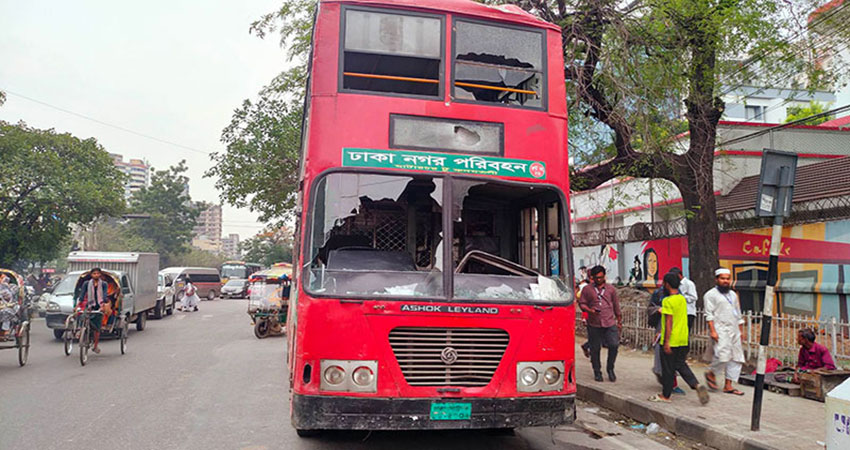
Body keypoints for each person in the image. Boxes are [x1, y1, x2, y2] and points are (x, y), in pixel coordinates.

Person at [649, 273, 710, 404]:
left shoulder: (667, 301)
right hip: (683, 339)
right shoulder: (682, 299)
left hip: (672, 340)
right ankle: (695, 384)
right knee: (680, 364)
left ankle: (665, 396)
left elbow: (669, 322)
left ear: (666, 284)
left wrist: (666, 342)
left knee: (668, 369)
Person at [704, 268, 746, 395]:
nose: (725, 281)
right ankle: (711, 373)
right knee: (722, 356)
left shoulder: (733, 295)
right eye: (722, 278)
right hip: (720, 329)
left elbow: (738, 314)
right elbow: (709, 315)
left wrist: (740, 331)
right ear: (717, 280)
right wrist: (713, 331)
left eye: (727, 278)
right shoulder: (710, 295)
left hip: (734, 329)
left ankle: (728, 385)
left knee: (736, 357)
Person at [578, 265, 622, 382]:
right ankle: (597, 371)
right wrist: (589, 310)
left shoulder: (611, 289)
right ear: (592, 278)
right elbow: (582, 303)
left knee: (613, 345)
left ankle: (610, 368)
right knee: (595, 348)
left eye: (601, 277)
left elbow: (616, 305)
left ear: (604, 276)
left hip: (609, 322)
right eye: (596, 278)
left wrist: (619, 320)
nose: (599, 280)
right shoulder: (587, 289)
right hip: (594, 323)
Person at [648, 280, 685, 395]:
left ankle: (672, 384)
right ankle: (665, 381)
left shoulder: (679, 296)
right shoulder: (658, 294)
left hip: (676, 330)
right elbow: (650, 308)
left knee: (674, 359)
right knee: (662, 356)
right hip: (662, 327)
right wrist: (658, 310)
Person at [75, 268, 113, 354]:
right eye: (94, 273)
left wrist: (103, 305)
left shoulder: (104, 284)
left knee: (97, 328)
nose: (96, 275)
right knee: (81, 315)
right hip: (89, 305)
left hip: (99, 306)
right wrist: (78, 304)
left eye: (97, 273)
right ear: (91, 275)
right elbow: (82, 294)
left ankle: (95, 346)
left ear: (100, 275)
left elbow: (104, 295)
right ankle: (80, 330)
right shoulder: (86, 283)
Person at [669, 267, 697, 333]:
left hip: (688, 312)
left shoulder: (689, 284)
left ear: (679, 275)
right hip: (678, 312)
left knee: (685, 332)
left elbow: (694, 297)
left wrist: (681, 297)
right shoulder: (675, 284)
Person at [0, 274, 19, 340]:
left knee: (6, 313)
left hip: (10, 307)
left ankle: (6, 332)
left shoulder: (13, 287)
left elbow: (11, 299)